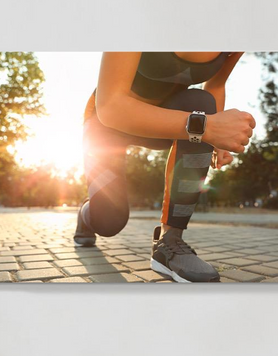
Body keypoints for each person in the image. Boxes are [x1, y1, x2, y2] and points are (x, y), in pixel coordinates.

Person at [74, 52, 255, 283]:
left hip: (167, 118)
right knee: (109, 222)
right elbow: (111, 107)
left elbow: (215, 85)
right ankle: (87, 214)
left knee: (201, 103)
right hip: (106, 123)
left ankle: (169, 242)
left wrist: (216, 135)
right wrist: (207, 128)